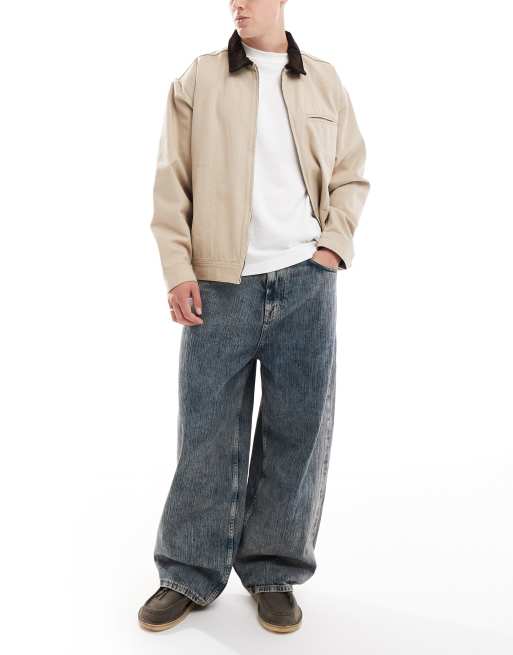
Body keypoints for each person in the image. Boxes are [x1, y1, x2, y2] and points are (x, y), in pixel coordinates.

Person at [139, 0, 370, 634]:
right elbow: (171, 182)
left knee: (298, 430)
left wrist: (332, 247)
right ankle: (187, 572)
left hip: (306, 283)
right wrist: (178, 269)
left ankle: (273, 571)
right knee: (207, 431)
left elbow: (350, 173)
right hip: (220, 284)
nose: (237, 3)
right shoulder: (199, 77)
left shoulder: (323, 79)